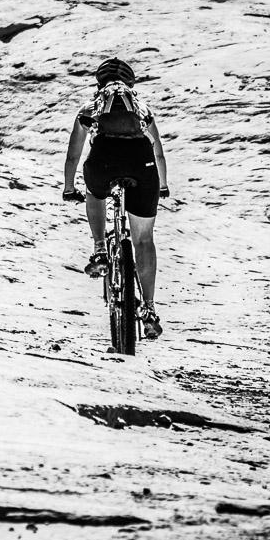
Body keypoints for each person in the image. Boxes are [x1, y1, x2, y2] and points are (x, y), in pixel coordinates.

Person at [62, 57, 169, 339]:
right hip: (142, 166)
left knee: (95, 191)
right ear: (132, 84)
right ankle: (148, 309)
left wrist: (68, 187)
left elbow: (74, 155)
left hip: (103, 161)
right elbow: (157, 152)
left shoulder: (90, 108)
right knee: (143, 239)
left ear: (99, 84)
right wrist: (163, 185)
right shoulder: (142, 109)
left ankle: (99, 249)